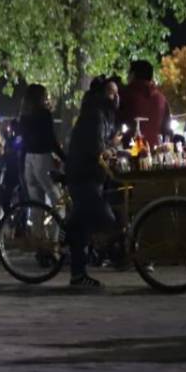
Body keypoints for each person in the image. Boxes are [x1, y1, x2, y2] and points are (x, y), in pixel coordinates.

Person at [64, 78, 121, 289]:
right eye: (110, 92)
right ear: (99, 94)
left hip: (90, 176)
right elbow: (96, 150)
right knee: (103, 218)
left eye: (116, 92)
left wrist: (111, 146)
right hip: (83, 176)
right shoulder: (95, 115)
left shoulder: (100, 114)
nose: (115, 97)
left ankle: (78, 274)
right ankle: (85, 266)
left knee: (83, 224)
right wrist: (112, 150)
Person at [18, 84, 65, 223]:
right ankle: (57, 237)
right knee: (58, 200)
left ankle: (38, 237)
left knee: (36, 202)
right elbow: (51, 140)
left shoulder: (23, 116)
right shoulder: (44, 114)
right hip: (42, 158)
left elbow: (23, 140)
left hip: (28, 159)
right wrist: (64, 157)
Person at [118, 59, 172, 147]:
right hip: (156, 151)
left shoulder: (124, 94)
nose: (127, 77)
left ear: (133, 74)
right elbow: (166, 128)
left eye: (128, 74)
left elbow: (116, 120)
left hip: (131, 150)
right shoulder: (162, 98)